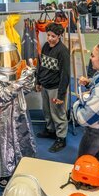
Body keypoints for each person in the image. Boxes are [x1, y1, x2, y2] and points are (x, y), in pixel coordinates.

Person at [0, 34, 37, 188]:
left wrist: (30, 76)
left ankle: (23, 165)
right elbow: (3, 95)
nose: (7, 58)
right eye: (3, 54)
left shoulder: (12, 69)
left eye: (8, 54)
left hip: (18, 112)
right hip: (2, 115)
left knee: (22, 139)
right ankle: (4, 173)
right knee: (4, 144)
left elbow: (25, 90)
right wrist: (21, 80)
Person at [36, 23, 70, 153]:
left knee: (58, 113)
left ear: (60, 36)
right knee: (47, 111)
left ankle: (61, 138)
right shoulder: (45, 46)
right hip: (45, 86)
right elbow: (41, 65)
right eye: (48, 35)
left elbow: (65, 74)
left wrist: (61, 95)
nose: (50, 38)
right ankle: (50, 130)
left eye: (53, 36)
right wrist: (38, 81)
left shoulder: (62, 51)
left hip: (55, 88)